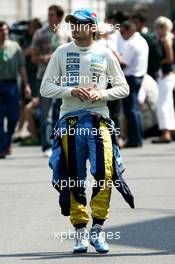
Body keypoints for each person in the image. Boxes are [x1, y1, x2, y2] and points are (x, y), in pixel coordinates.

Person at [40, 8, 134, 254]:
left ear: (92, 27)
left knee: (105, 173)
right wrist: (69, 91)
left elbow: (123, 88)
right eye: (72, 23)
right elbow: (45, 87)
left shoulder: (105, 53)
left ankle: (98, 230)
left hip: (98, 120)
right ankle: (80, 233)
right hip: (69, 121)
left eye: (80, 23)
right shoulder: (61, 52)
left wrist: (101, 93)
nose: (74, 27)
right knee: (73, 176)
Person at [32, 5, 69, 156]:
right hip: (44, 77)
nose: (49, 18)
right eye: (49, 15)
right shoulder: (40, 34)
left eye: (52, 15)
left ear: (60, 17)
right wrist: (45, 58)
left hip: (63, 79)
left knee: (63, 113)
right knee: (45, 114)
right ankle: (46, 145)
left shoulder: (67, 34)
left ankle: (62, 143)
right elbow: (33, 57)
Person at [0, 21, 31, 159]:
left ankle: (6, 142)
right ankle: (3, 147)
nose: (4, 33)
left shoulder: (15, 46)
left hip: (12, 85)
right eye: (1, 30)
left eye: (6, 30)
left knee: (13, 117)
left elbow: (22, 67)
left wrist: (26, 85)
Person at [120, 20, 149, 147]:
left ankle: (134, 140)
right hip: (139, 76)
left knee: (130, 110)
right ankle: (138, 138)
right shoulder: (142, 40)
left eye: (122, 32)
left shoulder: (131, 44)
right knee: (134, 109)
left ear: (129, 30)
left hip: (130, 77)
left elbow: (124, 63)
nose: (121, 35)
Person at [152, 16, 175, 143]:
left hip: (166, 75)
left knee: (163, 105)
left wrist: (158, 62)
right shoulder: (169, 38)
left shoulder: (166, 39)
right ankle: (169, 131)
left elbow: (170, 59)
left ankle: (166, 133)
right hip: (169, 75)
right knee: (168, 104)